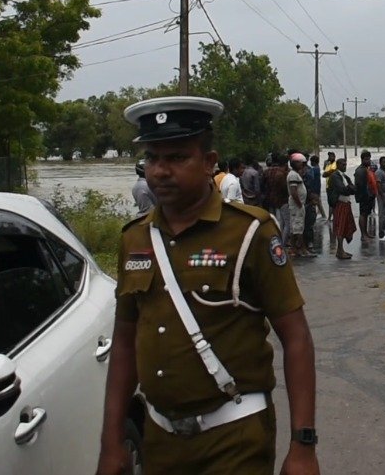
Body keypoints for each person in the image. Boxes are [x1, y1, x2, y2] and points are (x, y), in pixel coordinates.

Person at [98, 96, 319, 475]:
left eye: (177, 157)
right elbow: (124, 342)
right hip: (160, 439)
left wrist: (303, 445)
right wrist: (111, 441)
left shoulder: (251, 232)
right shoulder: (135, 239)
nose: (160, 171)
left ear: (208, 162)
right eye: (152, 158)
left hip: (235, 437)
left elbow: (296, 337)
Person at [328, 157, 357, 259]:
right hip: (340, 204)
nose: (345, 166)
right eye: (343, 165)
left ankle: (340, 250)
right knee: (340, 227)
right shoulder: (335, 176)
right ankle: (340, 251)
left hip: (345, 203)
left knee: (345, 226)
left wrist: (350, 188)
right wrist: (350, 188)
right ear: (338, 165)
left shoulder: (343, 175)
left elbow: (352, 188)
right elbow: (343, 189)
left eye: (345, 164)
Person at [287, 154, 310, 257]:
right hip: (297, 205)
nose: (302, 165)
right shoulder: (293, 175)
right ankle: (303, 249)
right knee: (299, 228)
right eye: (301, 163)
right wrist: (300, 204)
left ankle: (294, 249)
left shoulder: (295, 174)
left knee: (294, 228)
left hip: (296, 205)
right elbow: (293, 192)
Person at [353, 150, 376, 240]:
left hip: (368, 196)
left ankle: (366, 233)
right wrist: (364, 196)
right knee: (363, 215)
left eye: (369, 159)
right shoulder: (360, 170)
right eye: (366, 159)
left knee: (366, 214)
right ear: (362, 159)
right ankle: (363, 235)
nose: (368, 161)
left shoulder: (366, 169)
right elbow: (359, 185)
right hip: (363, 196)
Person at [304, 155, 324, 253]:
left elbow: (312, 181)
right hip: (317, 190)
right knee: (318, 204)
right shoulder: (317, 168)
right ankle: (324, 216)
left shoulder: (313, 170)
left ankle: (323, 216)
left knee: (315, 206)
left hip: (314, 191)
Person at [323, 152, 338, 221]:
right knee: (330, 203)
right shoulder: (328, 164)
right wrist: (325, 164)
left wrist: (326, 173)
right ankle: (330, 217)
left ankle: (333, 217)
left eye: (331, 156)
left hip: (333, 186)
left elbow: (327, 173)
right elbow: (324, 171)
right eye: (329, 156)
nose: (330, 157)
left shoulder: (335, 164)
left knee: (333, 202)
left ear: (334, 157)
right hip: (328, 186)